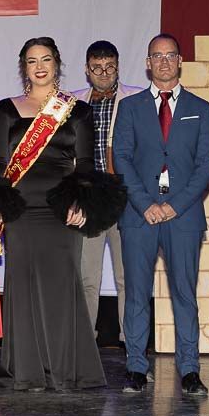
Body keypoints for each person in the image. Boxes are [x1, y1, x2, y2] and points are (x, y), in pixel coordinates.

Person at [0, 37, 117, 391]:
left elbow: (86, 166)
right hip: (19, 211)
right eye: (32, 61)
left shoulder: (78, 111)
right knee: (22, 286)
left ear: (57, 64)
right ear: (23, 67)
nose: (39, 66)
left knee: (62, 286)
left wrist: (80, 203)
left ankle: (63, 367)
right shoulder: (5, 110)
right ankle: (26, 369)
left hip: (61, 211)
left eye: (46, 59)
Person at [113, 34, 209, 395]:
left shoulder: (200, 107)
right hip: (139, 214)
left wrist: (174, 205)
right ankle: (136, 368)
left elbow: (206, 165)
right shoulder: (129, 107)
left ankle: (190, 370)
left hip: (183, 216)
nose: (163, 62)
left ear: (180, 60)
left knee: (184, 294)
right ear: (147, 63)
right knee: (137, 294)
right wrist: (146, 204)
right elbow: (121, 158)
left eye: (169, 55)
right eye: (156, 56)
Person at [70, 40, 145, 336]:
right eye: (97, 68)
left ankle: (133, 350)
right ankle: (85, 347)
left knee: (128, 278)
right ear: (87, 70)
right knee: (87, 277)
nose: (103, 73)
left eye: (109, 67)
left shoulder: (136, 99)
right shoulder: (72, 102)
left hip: (124, 198)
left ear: (117, 67)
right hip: (89, 200)